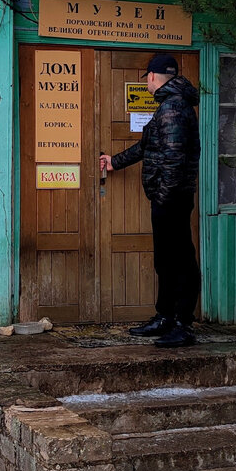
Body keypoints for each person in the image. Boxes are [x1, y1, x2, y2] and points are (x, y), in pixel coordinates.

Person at [100, 53, 201, 347]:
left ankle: (182, 324)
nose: (146, 82)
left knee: (180, 260)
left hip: (172, 199)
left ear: (153, 77)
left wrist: (163, 197)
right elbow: (147, 146)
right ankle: (165, 317)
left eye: (147, 78)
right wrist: (114, 162)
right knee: (166, 260)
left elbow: (173, 159)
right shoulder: (169, 107)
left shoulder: (172, 108)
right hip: (169, 198)